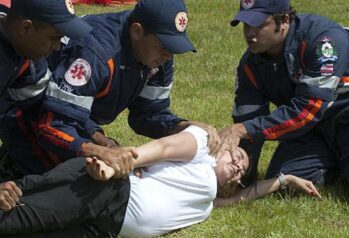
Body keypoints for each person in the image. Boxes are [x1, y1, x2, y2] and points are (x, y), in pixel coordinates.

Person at [0, 124, 320, 238]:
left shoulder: (209, 203)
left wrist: (285, 180)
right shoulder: (201, 146)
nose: (239, 168)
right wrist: (113, 167)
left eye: (242, 172)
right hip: (106, 189)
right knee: (21, 216)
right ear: (221, 147)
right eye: (237, 156)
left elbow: (244, 196)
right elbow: (161, 148)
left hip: (103, 227)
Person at [219, 0, 349, 209]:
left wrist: (243, 129)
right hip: (318, 125)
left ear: (284, 20)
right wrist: (239, 176)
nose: (250, 33)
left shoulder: (324, 40)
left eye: (259, 25)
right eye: (245, 24)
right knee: (283, 181)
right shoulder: (250, 65)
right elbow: (248, 126)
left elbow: (306, 111)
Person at [0, 0, 219, 180]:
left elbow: (147, 115)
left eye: (173, 48)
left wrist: (183, 127)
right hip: (34, 111)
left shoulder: (158, 58)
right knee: (72, 181)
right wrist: (98, 149)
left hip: (63, 113)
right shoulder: (95, 56)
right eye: (164, 47)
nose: (168, 57)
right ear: (136, 31)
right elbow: (47, 123)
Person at [0, 0, 92, 97]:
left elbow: (31, 102)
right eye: (54, 38)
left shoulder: (26, 49)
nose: (57, 47)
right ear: (26, 28)